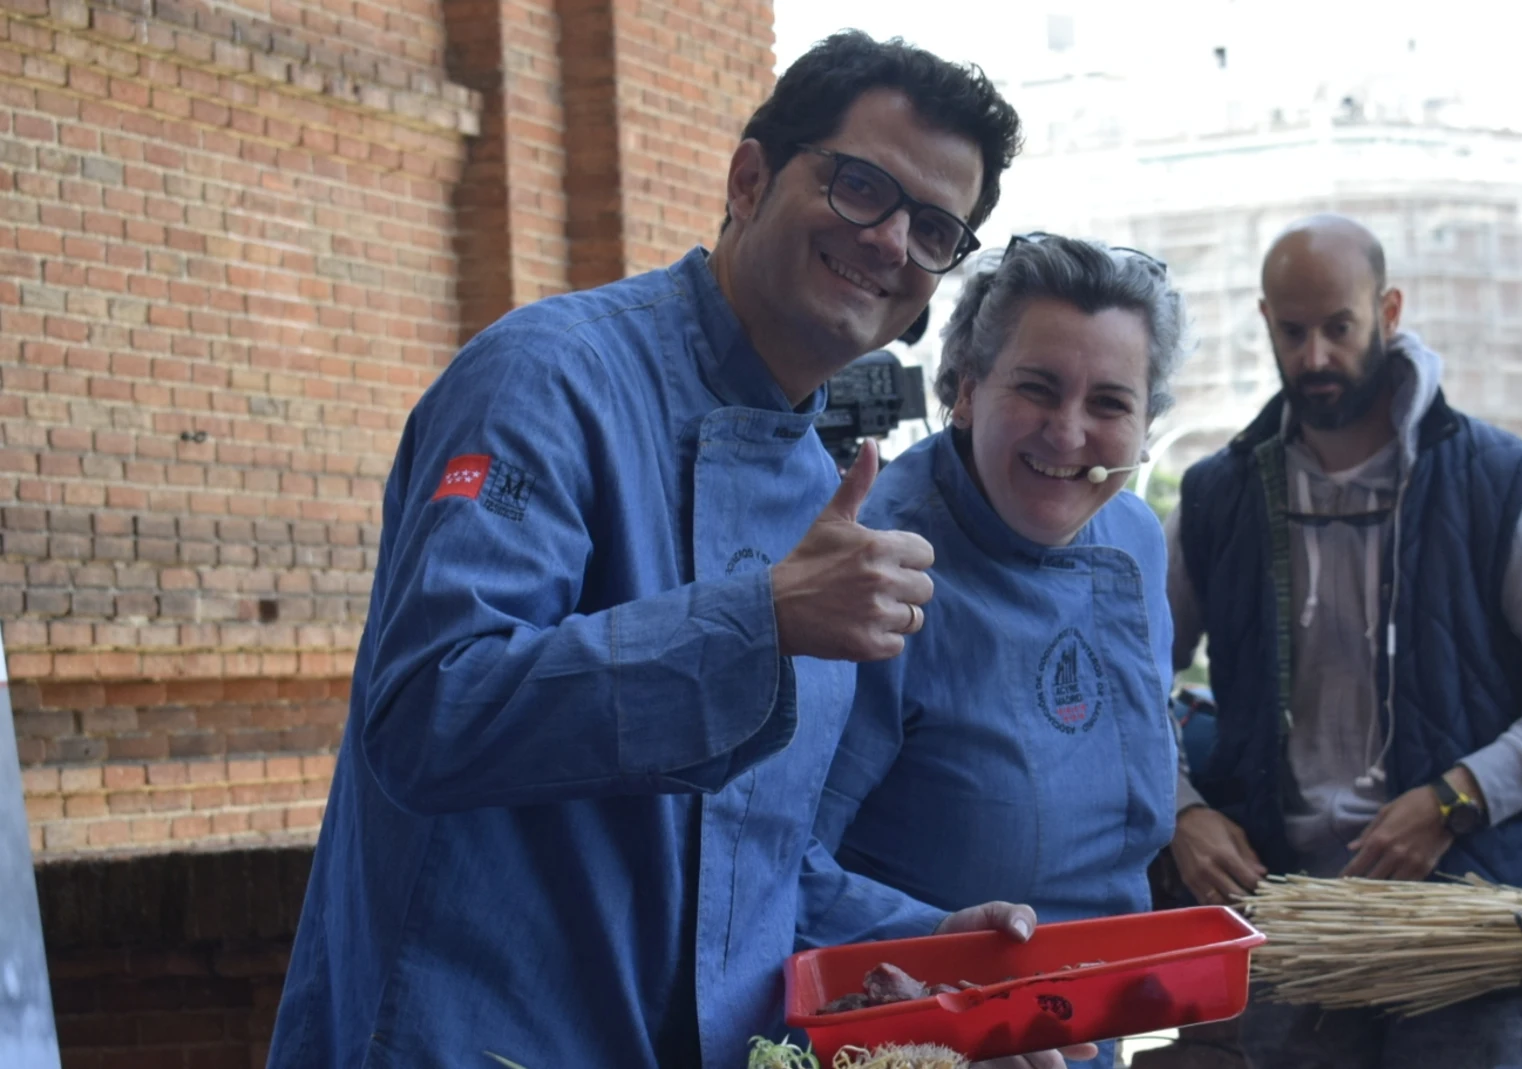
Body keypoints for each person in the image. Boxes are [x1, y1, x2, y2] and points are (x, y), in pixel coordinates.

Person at [265, 32, 1088, 1069]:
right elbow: (429, 712)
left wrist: (922, 944)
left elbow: (745, 869)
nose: (889, 241)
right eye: (860, 188)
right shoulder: (544, 378)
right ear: (749, 179)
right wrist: (759, 621)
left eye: (933, 229)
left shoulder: (825, 491)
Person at [1165, 214, 1522, 1069]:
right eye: (1292, 331)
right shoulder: (1217, 496)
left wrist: (1457, 798)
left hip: (1461, 925)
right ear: (1264, 321)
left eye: (1338, 327)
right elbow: (1124, 689)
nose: (1314, 356)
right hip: (1287, 922)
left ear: (1389, 311)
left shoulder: (1495, 478)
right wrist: (1180, 809)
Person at [807, 234, 1188, 1069]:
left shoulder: (1132, 537)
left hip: (1089, 1033)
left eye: (1111, 403)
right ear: (968, 389)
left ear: (1145, 425)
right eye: (1037, 388)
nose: (1070, 432)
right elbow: (766, 861)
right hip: (920, 1040)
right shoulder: (876, 561)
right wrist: (933, 961)